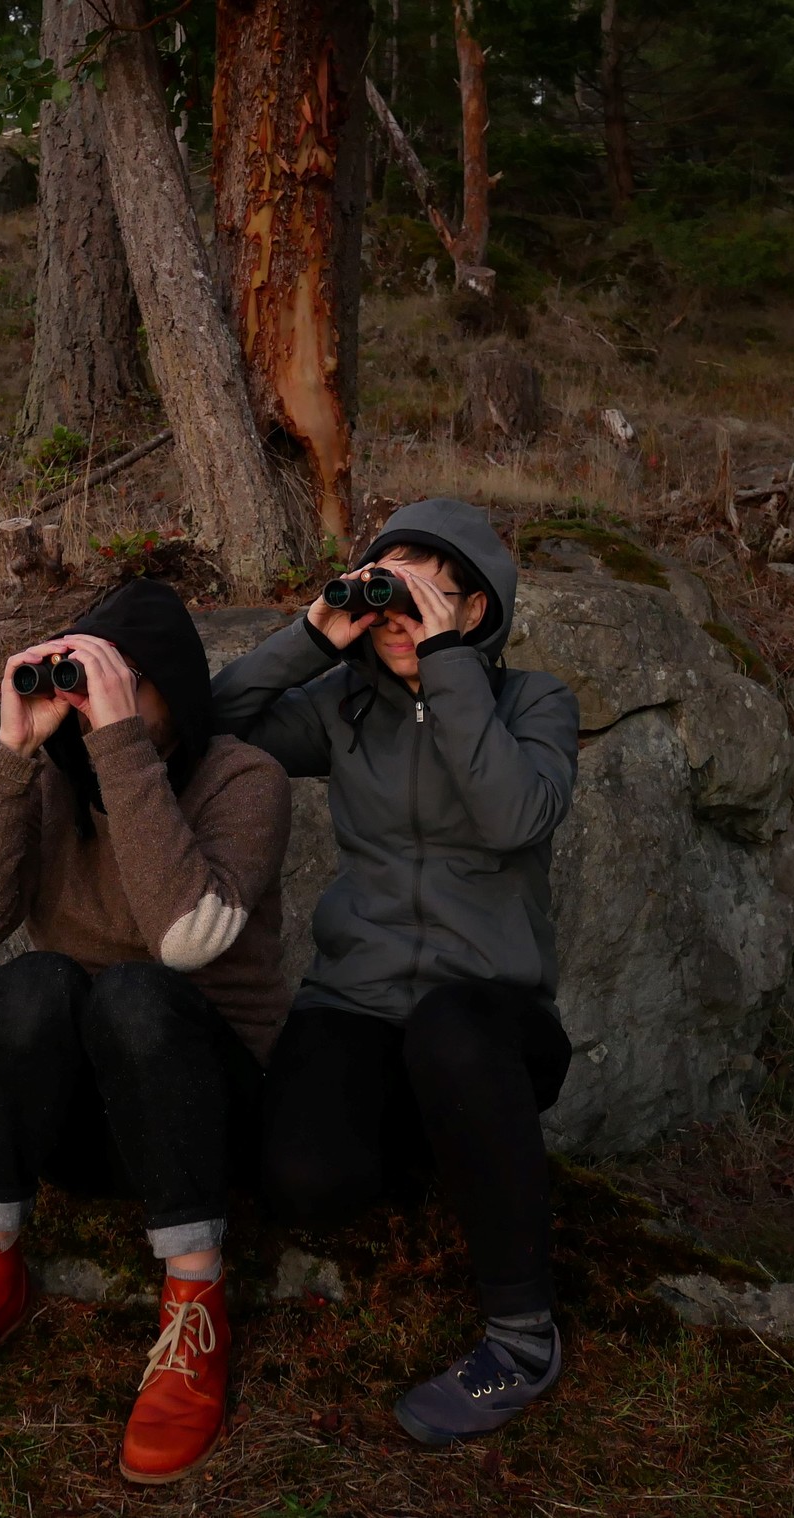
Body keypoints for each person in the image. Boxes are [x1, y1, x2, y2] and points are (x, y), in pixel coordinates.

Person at [0, 578, 292, 1484]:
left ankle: (195, 1298)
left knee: (134, 995)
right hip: (87, 1127)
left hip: (208, 1121)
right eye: (82, 677)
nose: (92, 697)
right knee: (29, 982)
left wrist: (118, 747)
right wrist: (10, 749)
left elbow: (185, 938)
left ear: (175, 691)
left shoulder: (244, 779)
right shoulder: (49, 778)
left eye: (119, 679)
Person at [211, 496, 580, 1445]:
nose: (409, 617)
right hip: (360, 1005)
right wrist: (313, 634)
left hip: (490, 1020)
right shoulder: (343, 704)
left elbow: (513, 818)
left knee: (452, 1033)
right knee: (304, 1182)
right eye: (396, 594)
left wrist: (450, 666)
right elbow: (213, 736)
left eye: (439, 595)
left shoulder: (532, 702)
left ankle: (522, 1336)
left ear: (480, 610)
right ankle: (456, 1151)